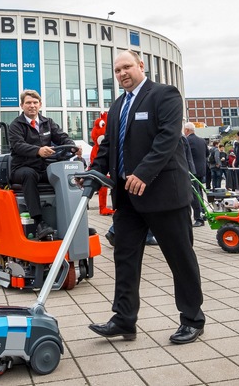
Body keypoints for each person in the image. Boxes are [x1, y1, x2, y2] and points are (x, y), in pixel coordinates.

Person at [87, 50, 205, 345]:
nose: (122, 73)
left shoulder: (165, 95)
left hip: (163, 193)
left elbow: (167, 137)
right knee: (124, 257)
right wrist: (93, 172)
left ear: (141, 66)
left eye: (127, 67)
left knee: (180, 257)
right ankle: (124, 319)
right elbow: (108, 146)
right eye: (117, 70)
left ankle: (192, 319)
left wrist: (143, 173)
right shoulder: (117, 105)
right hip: (127, 197)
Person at [8, 89, 75, 241]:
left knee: (65, 175)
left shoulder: (48, 123)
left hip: (44, 168)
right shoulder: (16, 125)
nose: (32, 105)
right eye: (28, 103)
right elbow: (18, 145)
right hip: (22, 168)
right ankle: (39, 222)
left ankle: (72, 219)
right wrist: (38, 150)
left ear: (40, 104)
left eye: (35, 102)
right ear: (22, 105)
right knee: (29, 174)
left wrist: (72, 146)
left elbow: (62, 137)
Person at [184, 122, 208, 227]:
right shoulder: (202, 140)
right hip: (201, 170)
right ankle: (203, 213)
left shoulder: (186, 140)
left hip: (191, 171)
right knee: (199, 192)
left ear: (186, 130)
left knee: (194, 194)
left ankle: (199, 218)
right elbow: (207, 153)